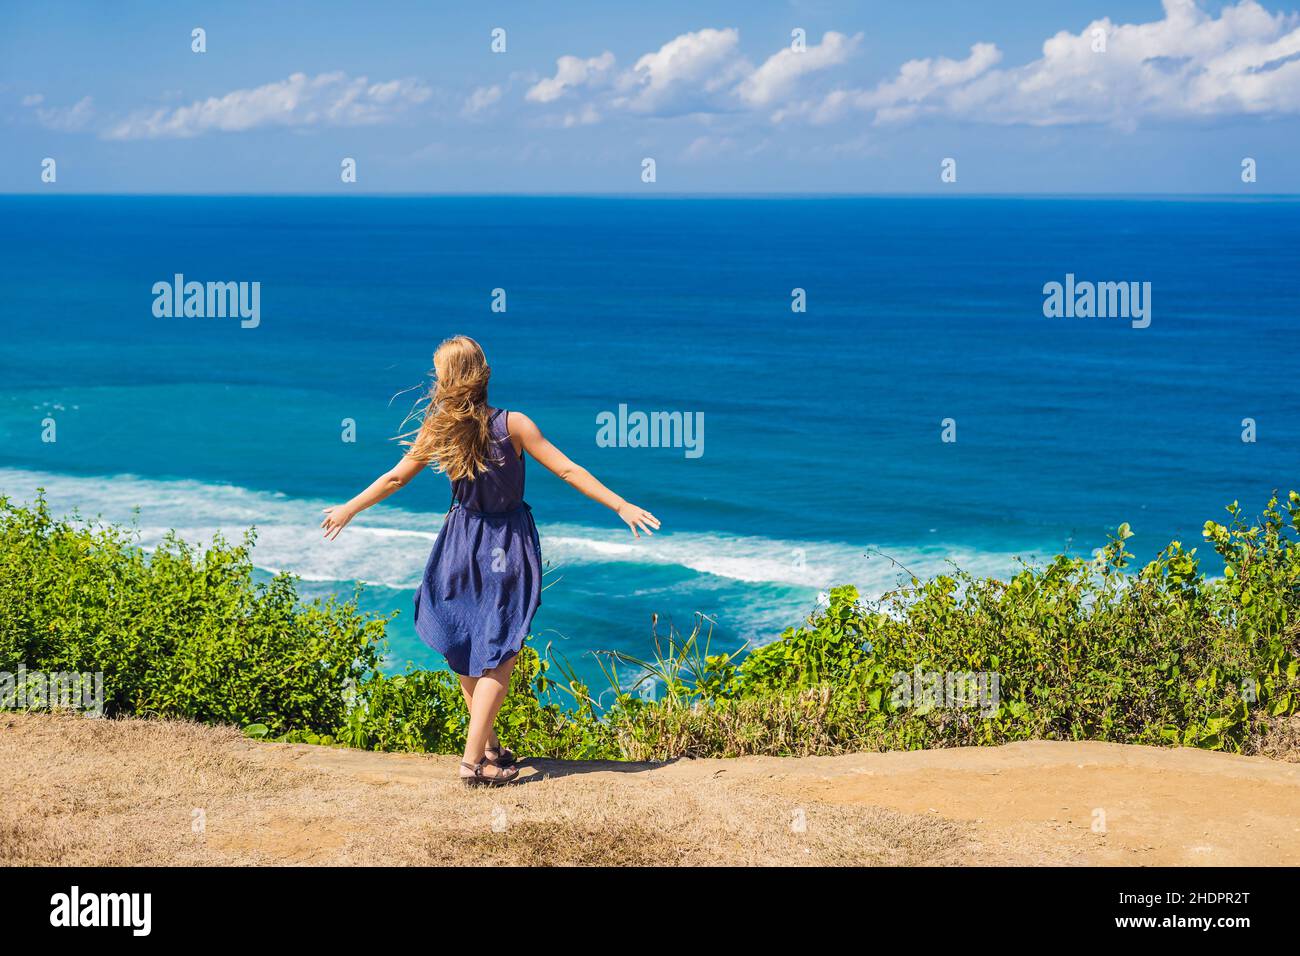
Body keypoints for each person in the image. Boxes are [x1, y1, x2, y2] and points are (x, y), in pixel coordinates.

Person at [322, 335, 660, 785]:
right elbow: (567, 469)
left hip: (459, 542)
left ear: (444, 379)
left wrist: (350, 508)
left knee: (467, 647)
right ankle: (472, 762)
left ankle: (491, 750)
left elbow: (396, 477)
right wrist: (620, 505)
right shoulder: (514, 424)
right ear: (483, 373)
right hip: (506, 544)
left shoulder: (440, 427)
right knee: (499, 652)